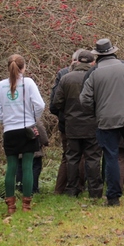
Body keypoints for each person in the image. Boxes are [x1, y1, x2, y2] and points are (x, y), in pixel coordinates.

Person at [80, 38, 124, 206]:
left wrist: (95, 112)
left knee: (111, 156)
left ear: (97, 55)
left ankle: (113, 196)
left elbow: (84, 100)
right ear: (113, 52)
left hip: (106, 120)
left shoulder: (94, 73)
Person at [0, 54, 45, 214]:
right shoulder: (28, 83)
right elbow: (40, 104)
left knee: (11, 167)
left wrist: (6, 120)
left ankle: (10, 206)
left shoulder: (0, 86)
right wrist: (33, 118)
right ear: (24, 67)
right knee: (28, 166)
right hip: (27, 129)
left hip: (10, 131)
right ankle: (26, 205)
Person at [53, 50, 104, 198]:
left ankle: (72, 189)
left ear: (77, 62)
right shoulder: (97, 78)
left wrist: (69, 112)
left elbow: (57, 102)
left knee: (72, 158)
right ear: (92, 62)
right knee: (93, 158)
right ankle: (95, 190)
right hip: (92, 125)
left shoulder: (66, 79)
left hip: (72, 125)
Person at [49, 49, 86, 194]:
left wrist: (63, 115)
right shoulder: (92, 74)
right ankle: (79, 187)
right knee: (83, 155)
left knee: (68, 155)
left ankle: (61, 189)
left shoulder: (62, 74)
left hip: (67, 122)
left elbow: (55, 103)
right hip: (87, 122)